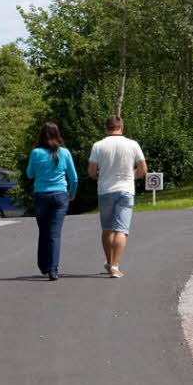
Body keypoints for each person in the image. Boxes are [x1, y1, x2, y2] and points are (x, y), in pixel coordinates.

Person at [88, 115, 146, 279]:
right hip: (126, 190)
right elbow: (143, 169)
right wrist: (131, 176)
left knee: (107, 229)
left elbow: (92, 172)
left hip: (105, 190)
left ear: (106, 128)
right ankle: (115, 265)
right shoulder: (132, 144)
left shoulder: (98, 146)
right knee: (121, 229)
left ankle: (108, 262)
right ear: (122, 127)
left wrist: (101, 174)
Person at [25, 122, 78, 281]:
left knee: (44, 230)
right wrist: (72, 193)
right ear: (57, 135)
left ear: (41, 135)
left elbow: (29, 174)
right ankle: (53, 270)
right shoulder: (65, 152)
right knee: (55, 233)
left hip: (41, 195)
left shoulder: (36, 153)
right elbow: (74, 178)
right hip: (60, 195)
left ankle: (43, 265)